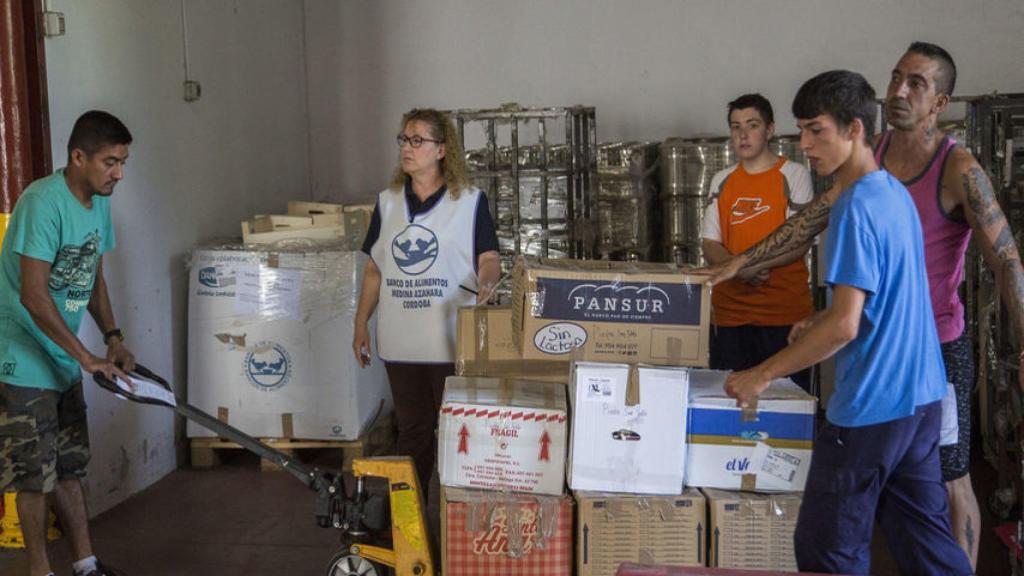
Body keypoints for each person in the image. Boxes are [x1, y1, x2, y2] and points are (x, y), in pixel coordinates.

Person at [706, 42, 1013, 568]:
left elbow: (847, 326)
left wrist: (761, 375)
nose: (804, 144)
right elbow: (888, 299)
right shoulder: (890, 191)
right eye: (800, 130)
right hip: (920, 399)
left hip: (872, 407)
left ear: (854, 129)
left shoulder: (858, 206)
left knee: (827, 547)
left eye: (816, 130)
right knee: (927, 545)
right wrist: (814, 316)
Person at [0, 110, 136, 576]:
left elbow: (92, 275)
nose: (118, 173)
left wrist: (112, 339)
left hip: (62, 356)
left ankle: (85, 564)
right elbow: (34, 296)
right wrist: (87, 358)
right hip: (21, 357)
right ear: (78, 157)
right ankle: (40, 570)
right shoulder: (42, 202)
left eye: (122, 163)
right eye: (110, 162)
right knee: (35, 474)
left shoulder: (98, 201)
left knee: (72, 467)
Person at [352, 108, 500, 495]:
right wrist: (360, 324)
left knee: (457, 430)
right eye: (403, 139)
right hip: (401, 343)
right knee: (413, 431)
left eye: (418, 140)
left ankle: (457, 513)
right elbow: (374, 270)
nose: (408, 147)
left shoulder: (469, 202)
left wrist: (488, 281)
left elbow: (489, 257)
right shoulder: (388, 203)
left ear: (441, 149)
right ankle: (411, 519)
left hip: (449, 341)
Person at [701, 93, 814, 391]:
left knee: (784, 407)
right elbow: (710, 244)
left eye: (752, 125)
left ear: (770, 129)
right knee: (731, 404)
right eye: (735, 126)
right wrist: (742, 271)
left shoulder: (794, 174)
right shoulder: (721, 180)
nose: (743, 134)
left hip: (784, 315)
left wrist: (749, 265)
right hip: (730, 317)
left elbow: (799, 241)